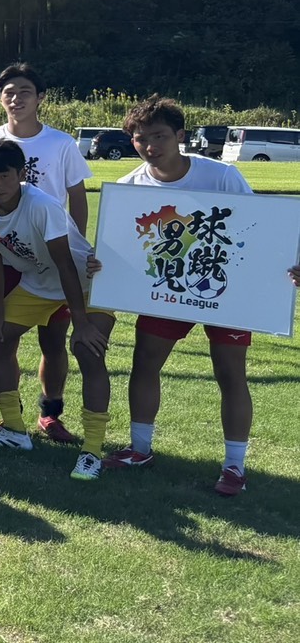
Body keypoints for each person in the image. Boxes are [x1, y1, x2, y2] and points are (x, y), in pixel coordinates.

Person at [101, 98, 271, 497]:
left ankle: (234, 466)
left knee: (230, 373)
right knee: (145, 361)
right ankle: (140, 449)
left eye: (159, 136)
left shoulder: (222, 175)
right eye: (140, 138)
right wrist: (102, 263)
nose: (150, 146)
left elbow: (260, 227)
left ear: (180, 135)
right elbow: (122, 248)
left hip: (224, 285)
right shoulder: (130, 186)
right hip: (167, 289)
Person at [0, 139, 116, 482]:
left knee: (86, 349)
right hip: (39, 283)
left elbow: (66, 264)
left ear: (21, 174)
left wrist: (81, 323)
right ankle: (15, 430)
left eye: (4, 176)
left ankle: (92, 450)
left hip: (86, 283)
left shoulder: (42, 205)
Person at [0, 62, 92, 445]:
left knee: (54, 339)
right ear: (0, 98)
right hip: (6, 252)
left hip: (53, 254)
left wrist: (77, 244)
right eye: (9, 92)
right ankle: (9, 418)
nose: (17, 99)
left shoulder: (60, 142)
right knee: (2, 335)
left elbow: (76, 195)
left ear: (41, 97)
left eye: (25, 92)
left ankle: (50, 414)